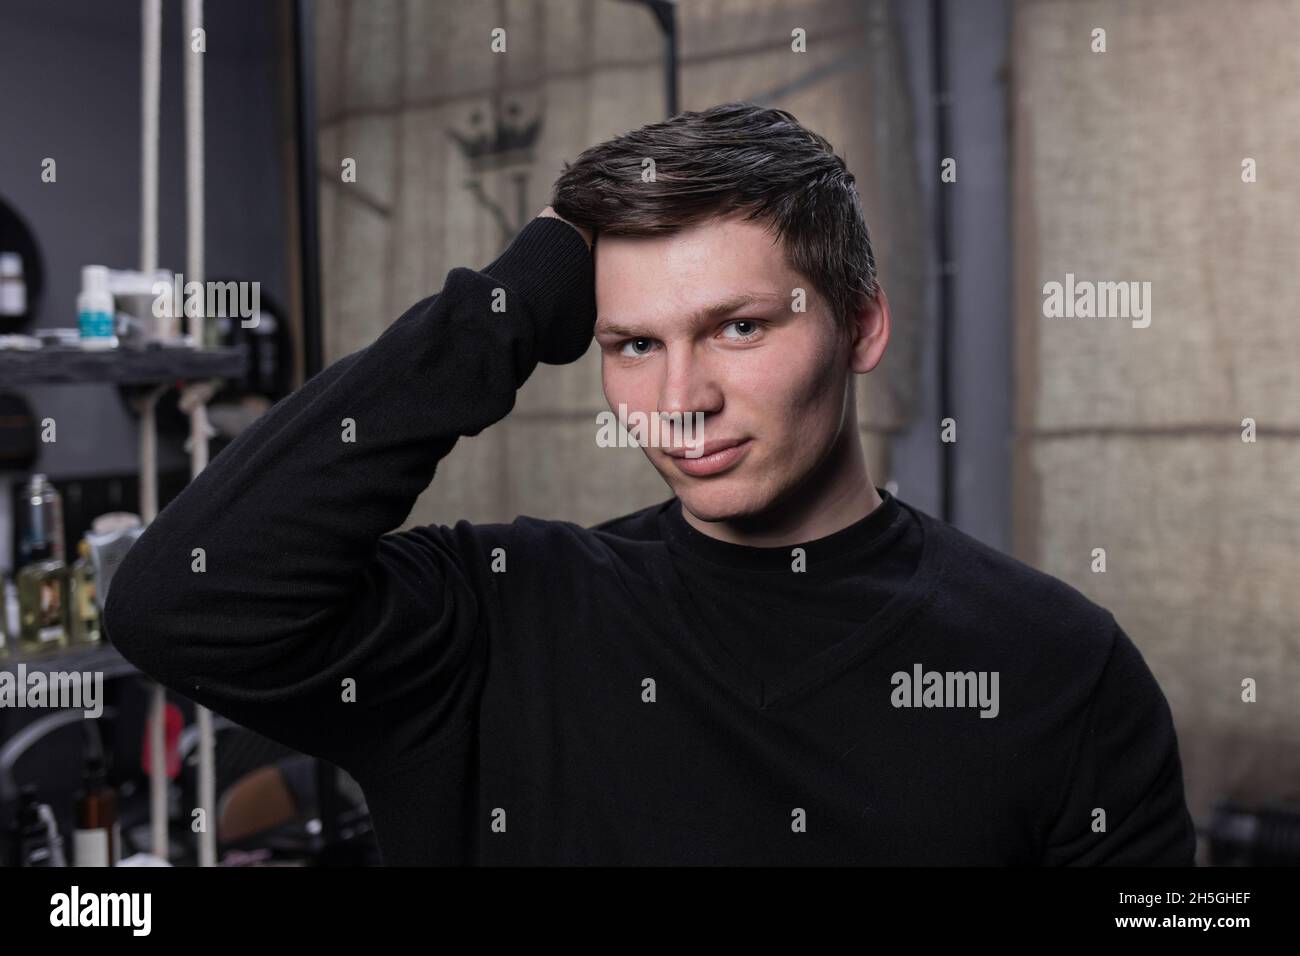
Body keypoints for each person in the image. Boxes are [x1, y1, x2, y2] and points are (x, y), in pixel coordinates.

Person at [104, 103, 1196, 865]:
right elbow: (177, 601)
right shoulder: (495, 619)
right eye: (631, 344)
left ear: (860, 324)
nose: (680, 397)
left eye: (736, 326)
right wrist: (513, 297)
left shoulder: (1059, 663)